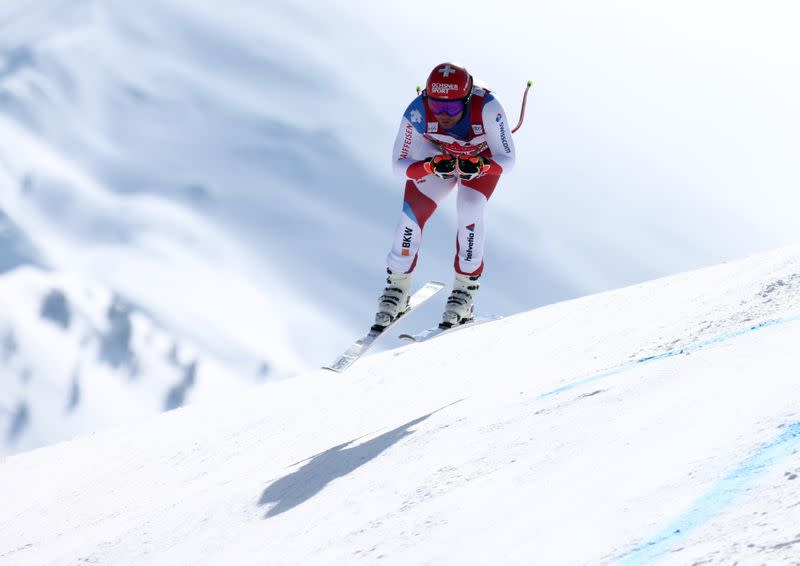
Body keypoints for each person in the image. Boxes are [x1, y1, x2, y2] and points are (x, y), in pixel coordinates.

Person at [374, 62, 517, 330]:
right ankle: (396, 288)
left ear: (467, 98)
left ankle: (464, 292)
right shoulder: (417, 112)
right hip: (437, 157)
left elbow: (508, 160)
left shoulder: (488, 107)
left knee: (470, 208)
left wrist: (482, 165)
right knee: (411, 215)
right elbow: (398, 166)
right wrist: (429, 166)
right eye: (437, 107)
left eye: (451, 108)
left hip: (479, 159)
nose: (444, 115)